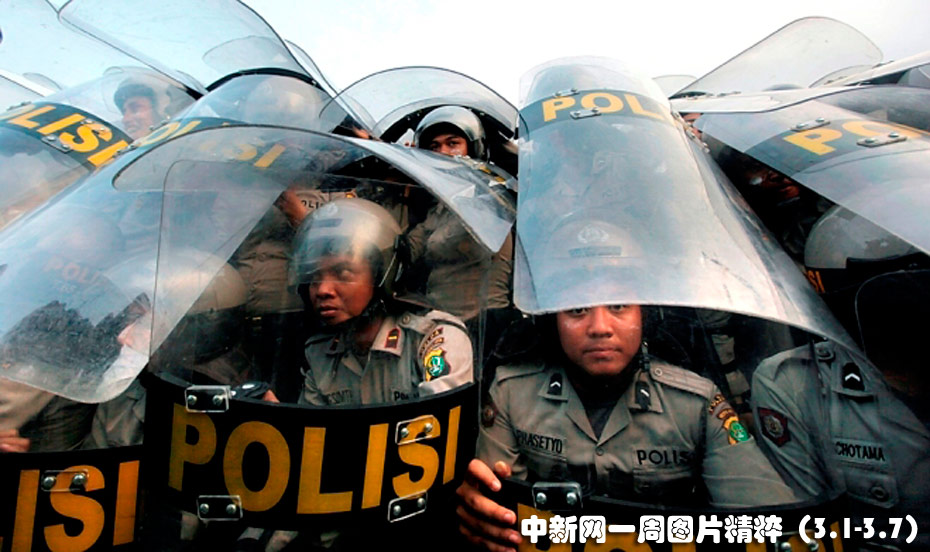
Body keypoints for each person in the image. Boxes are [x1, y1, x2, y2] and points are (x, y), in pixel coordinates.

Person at [457, 304, 796, 551]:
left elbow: (772, 526)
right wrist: (481, 512)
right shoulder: (512, 393)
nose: (599, 327)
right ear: (552, 320)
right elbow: (497, 516)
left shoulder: (695, 404)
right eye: (577, 310)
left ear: (643, 316)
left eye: (618, 306)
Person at [285, 197, 474, 406]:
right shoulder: (320, 354)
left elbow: (440, 419)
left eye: (342, 274)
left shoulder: (432, 339)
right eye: (314, 278)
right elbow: (312, 424)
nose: (322, 290)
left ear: (383, 274)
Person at [408, 106, 514, 324]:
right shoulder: (440, 203)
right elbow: (408, 249)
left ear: (472, 148)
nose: (442, 152)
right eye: (434, 146)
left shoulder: (488, 195)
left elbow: (438, 243)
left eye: (453, 143)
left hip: (483, 324)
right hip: (440, 323)